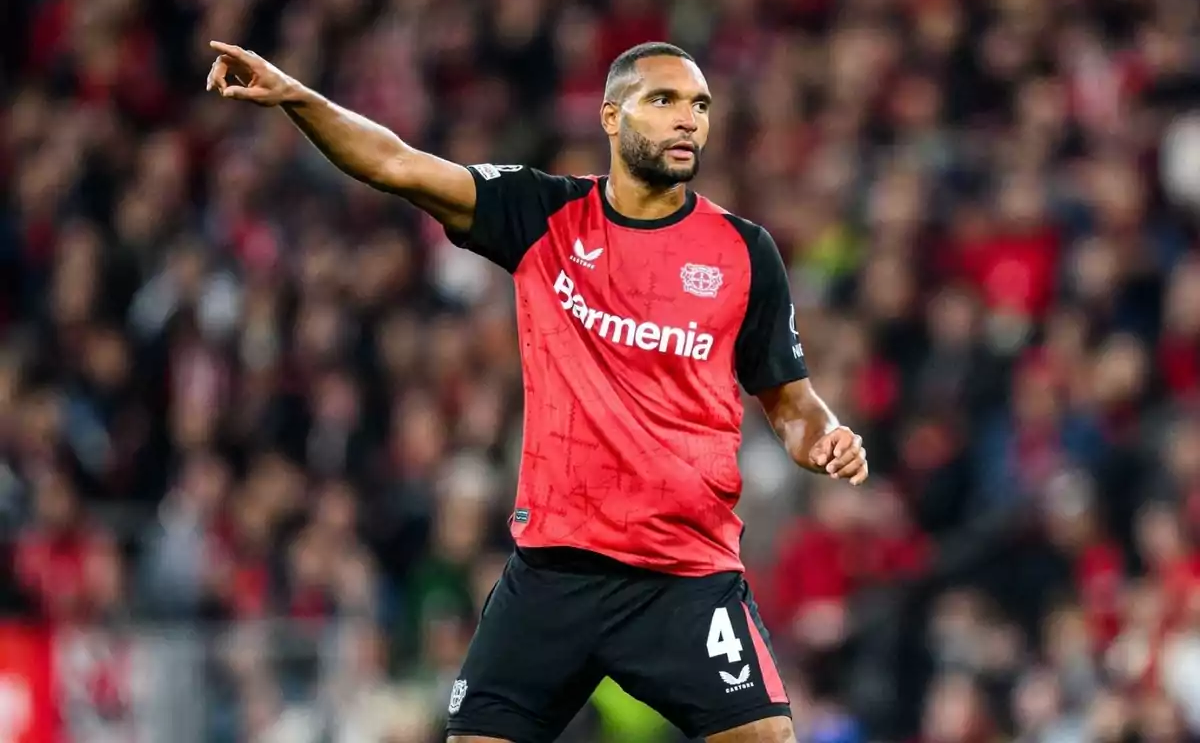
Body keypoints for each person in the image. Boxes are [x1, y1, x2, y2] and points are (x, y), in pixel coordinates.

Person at [206, 39, 869, 743]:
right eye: (665, 100)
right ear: (612, 117)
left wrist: (824, 438)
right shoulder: (542, 214)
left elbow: (790, 403)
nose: (689, 120)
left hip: (685, 575)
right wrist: (297, 98)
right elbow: (397, 163)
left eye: (700, 105)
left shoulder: (743, 251)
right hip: (554, 574)